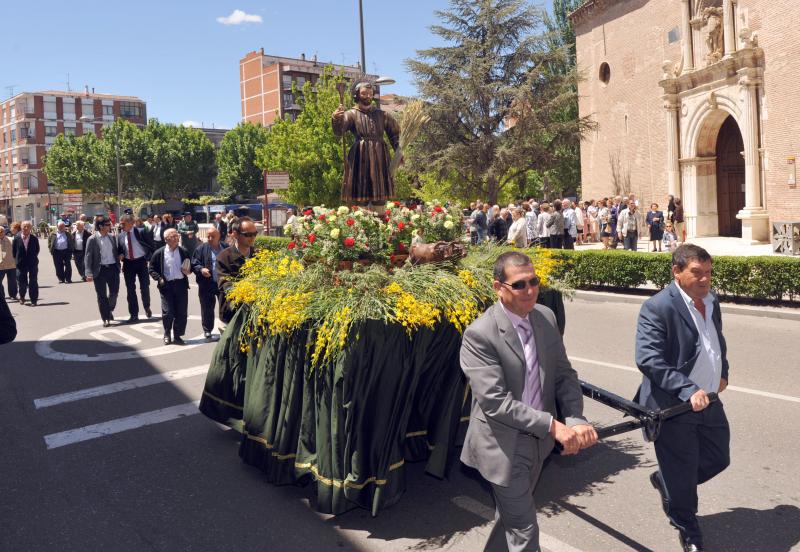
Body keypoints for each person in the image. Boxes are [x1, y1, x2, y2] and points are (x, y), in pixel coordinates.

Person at [460, 251, 597, 552]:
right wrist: (551, 425)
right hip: (503, 447)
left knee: (509, 519)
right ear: (499, 288)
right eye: (520, 285)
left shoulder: (546, 317)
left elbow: (564, 374)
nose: (530, 290)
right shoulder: (479, 334)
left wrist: (574, 418)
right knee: (524, 530)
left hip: (540, 443)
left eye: (534, 281)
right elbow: (496, 402)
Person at [635, 244, 730, 552]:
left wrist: (722, 371)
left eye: (709, 273)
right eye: (697, 273)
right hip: (673, 405)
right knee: (682, 468)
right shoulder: (658, 306)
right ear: (676, 272)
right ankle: (687, 528)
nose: (705, 280)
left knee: (718, 457)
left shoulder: (711, 301)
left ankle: (670, 483)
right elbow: (648, 359)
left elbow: (715, 340)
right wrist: (689, 390)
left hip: (709, 399)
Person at [332, 81, 400, 204]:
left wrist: (399, 152)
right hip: (360, 156)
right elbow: (339, 131)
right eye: (364, 94)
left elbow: (394, 134)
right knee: (360, 192)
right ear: (356, 95)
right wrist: (336, 118)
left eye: (370, 93)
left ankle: (381, 217)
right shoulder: (351, 114)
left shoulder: (382, 115)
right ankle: (362, 220)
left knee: (380, 194)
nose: (368, 96)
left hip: (380, 155)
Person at [149, 228, 191, 345]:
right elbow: (151, 269)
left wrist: (188, 271)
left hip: (181, 285)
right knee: (168, 312)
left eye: (177, 236)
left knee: (181, 312)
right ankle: (167, 333)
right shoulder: (159, 253)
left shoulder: (183, 251)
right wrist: (159, 278)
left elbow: (189, 266)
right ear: (166, 239)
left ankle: (177, 335)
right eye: (173, 236)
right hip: (166, 285)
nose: (176, 238)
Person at [216, 217, 257, 324]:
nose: (252, 237)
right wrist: (245, 291)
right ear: (235, 234)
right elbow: (224, 284)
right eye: (247, 234)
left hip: (256, 313)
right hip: (232, 314)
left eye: (255, 234)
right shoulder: (224, 257)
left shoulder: (259, 254)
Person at [192, 227, 228, 340]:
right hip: (207, 283)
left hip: (223, 283)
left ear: (219, 236)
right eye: (208, 236)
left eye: (213, 236)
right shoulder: (201, 249)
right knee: (207, 308)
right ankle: (207, 330)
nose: (210, 238)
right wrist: (201, 269)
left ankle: (226, 328)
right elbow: (194, 263)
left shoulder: (226, 248)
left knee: (226, 307)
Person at [117, 214, 154, 323]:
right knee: (130, 290)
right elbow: (119, 249)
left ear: (130, 223)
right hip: (128, 263)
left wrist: (149, 259)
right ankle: (134, 314)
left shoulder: (141, 232)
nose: (121, 225)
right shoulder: (120, 236)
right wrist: (120, 255)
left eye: (123, 223)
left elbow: (151, 245)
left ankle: (146, 306)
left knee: (144, 287)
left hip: (141, 261)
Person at [84, 216, 121, 326]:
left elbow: (116, 251)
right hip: (99, 270)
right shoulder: (92, 239)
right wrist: (88, 273)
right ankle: (105, 318)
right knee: (101, 295)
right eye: (108, 225)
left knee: (114, 293)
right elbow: (88, 257)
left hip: (113, 268)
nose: (110, 226)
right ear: (100, 226)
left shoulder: (112, 237)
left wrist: (120, 257)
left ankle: (109, 309)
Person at [12, 221, 40, 306]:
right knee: (22, 282)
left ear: (31, 228)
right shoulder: (16, 238)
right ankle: (22, 297)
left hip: (32, 263)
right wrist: (18, 260)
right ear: (21, 227)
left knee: (33, 282)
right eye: (24, 226)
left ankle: (33, 300)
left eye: (28, 227)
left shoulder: (34, 238)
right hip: (21, 264)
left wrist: (32, 258)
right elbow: (14, 252)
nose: (26, 228)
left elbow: (37, 250)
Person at [0, 226, 18, 301]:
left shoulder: (11, 240)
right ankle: (2, 296)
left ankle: (13, 295)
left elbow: (16, 251)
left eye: (1, 231)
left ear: (4, 232)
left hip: (11, 264)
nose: (0, 233)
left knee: (12, 282)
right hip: (0, 266)